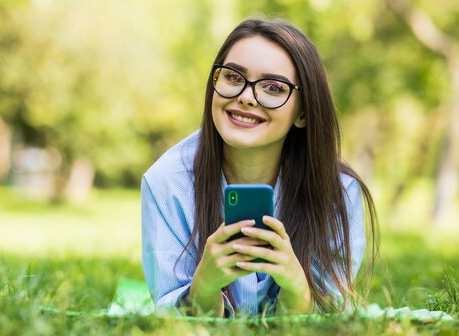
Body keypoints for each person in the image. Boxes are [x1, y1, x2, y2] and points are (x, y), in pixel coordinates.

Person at [141, 18, 378, 317]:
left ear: (303, 112)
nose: (245, 96)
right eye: (233, 77)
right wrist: (204, 286)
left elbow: (328, 317)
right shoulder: (166, 182)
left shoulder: (339, 191)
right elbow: (171, 317)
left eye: (273, 87)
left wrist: (297, 289)